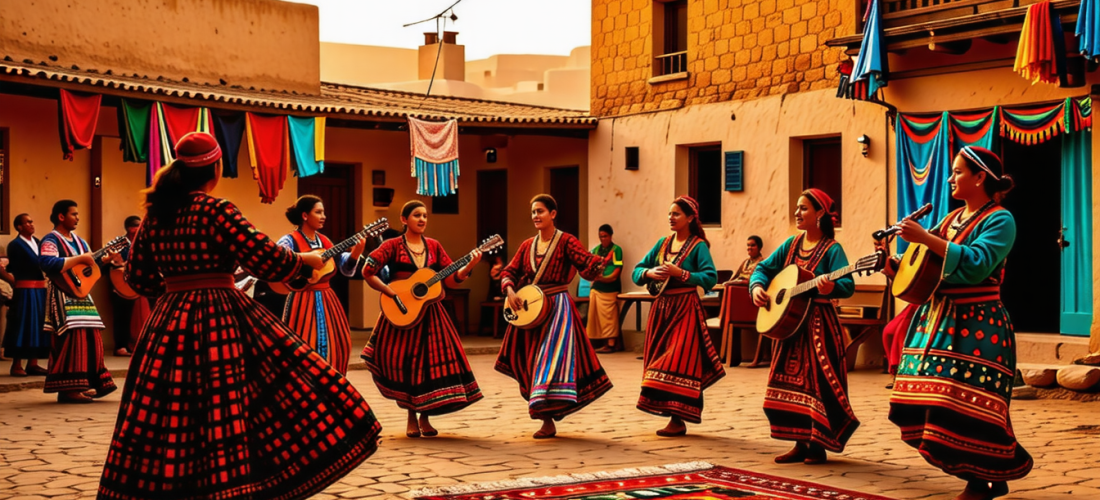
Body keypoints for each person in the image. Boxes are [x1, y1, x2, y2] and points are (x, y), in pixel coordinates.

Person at [98, 132, 381, 499]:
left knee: (168, 410)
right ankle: (233, 486)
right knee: (236, 398)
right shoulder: (217, 210)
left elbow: (138, 278)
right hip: (220, 317)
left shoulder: (155, 218)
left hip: (167, 322)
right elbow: (264, 258)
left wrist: (175, 291)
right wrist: (303, 261)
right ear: (215, 170)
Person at [883, 146, 1031, 500]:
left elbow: (979, 263)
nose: (950, 178)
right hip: (939, 321)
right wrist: (893, 265)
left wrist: (924, 237)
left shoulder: (1000, 219)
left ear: (980, 177)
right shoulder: (950, 220)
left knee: (970, 405)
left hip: (979, 326)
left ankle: (980, 480)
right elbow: (921, 263)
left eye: (957, 172)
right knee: (931, 402)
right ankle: (990, 470)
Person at [750, 188, 858, 464]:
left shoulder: (833, 250)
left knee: (817, 383)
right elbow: (763, 268)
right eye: (797, 208)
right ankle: (799, 441)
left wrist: (832, 285)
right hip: (789, 326)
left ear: (820, 213)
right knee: (788, 380)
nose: (797, 213)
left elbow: (847, 286)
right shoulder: (791, 244)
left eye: (804, 208)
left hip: (819, 326)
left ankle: (818, 444)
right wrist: (757, 287)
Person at [360, 200, 483, 438]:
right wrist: (390, 292)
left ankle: (425, 418)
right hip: (402, 312)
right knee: (405, 364)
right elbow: (368, 270)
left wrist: (469, 266)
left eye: (425, 215)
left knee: (429, 368)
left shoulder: (435, 246)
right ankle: (410, 418)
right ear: (404, 219)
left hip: (431, 316)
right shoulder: (392, 245)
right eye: (417, 215)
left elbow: (450, 280)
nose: (422, 219)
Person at [497, 194, 614, 439]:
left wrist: (599, 263)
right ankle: (545, 415)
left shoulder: (566, 241)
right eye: (533, 212)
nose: (535, 216)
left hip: (557, 311)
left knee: (548, 362)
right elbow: (510, 270)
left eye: (540, 211)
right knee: (529, 361)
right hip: (529, 312)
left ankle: (547, 419)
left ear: (553, 214)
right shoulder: (527, 245)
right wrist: (509, 290)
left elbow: (585, 263)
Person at [632, 196, 724, 436]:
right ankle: (671, 415)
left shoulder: (698, 246)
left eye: (676, 214)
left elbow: (710, 278)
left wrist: (681, 273)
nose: (671, 218)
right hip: (661, 309)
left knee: (678, 360)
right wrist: (650, 272)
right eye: (670, 214)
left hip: (685, 308)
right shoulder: (662, 244)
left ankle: (678, 417)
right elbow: (636, 271)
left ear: (690, 218)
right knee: (658, 358)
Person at [38, 200, 118, 404]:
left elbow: (87, 267)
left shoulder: (80, 241)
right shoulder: (50, 240)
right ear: (61, 217)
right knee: (71, 338)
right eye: (73, 214)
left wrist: (104, 260)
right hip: (62, 295)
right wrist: (80, 258)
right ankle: (68, 388)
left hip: (83, 295)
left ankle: (91, 383)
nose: (77, 218)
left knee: (92, 337)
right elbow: (48, 264)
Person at [277, 195, 366, 374]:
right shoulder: (290, 240)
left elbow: (345, 268)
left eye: (323, 212)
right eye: (318, 212)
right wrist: (304, 259)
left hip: (327, 299)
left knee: (339, 342)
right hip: (301, 300)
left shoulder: (325, 241)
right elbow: (278, 257)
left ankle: (331, 381)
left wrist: (356, 253)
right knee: (303, 342)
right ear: (304, 216)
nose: (323, 216)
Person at [1, 214, 50, 377]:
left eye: (31, 221)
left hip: (39, 290)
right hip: (24, 291)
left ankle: (33, 363)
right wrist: (13, 281)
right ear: (19, 227)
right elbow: (13, 269)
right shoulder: (15, 245)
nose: (31, 224)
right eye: (27, 222)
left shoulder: (38, 242)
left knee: (39, 325)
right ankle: (16, 364)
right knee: (22, 324)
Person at [107, 215, 150, 357]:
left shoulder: (144, 242)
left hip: (139, 286)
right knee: (122, 316)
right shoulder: (119, 243)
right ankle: (121, 346)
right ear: (128, 228)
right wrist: (120, 264)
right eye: (134, 225)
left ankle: (142, 344)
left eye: (139, 225)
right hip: (121, 286)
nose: (136, 228)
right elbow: (112, 262)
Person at [588, 224, 624, 353]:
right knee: (594, 315)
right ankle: (596, 341)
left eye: (605, 236)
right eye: (600, 236)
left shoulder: (616, 250)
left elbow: (617, 270)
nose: (603, 239)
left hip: (611, 287)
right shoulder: (595, 250)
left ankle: (611, 343)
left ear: (610, 236)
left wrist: (606, 278)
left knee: (610, 317)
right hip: (597, 287)